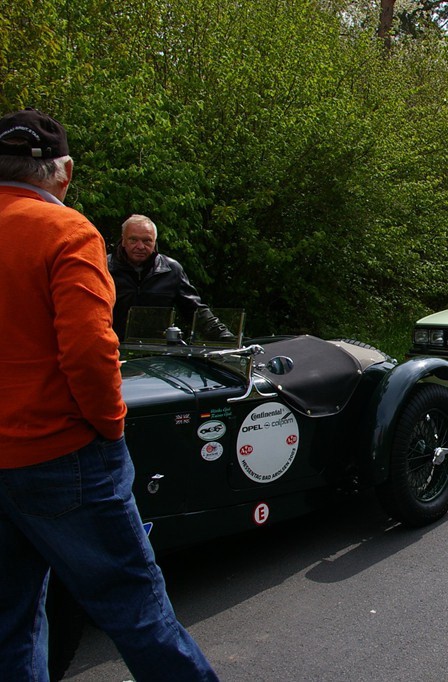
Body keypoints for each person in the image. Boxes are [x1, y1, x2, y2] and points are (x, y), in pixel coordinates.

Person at [0, 108, 218, 680]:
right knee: (136, 606)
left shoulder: (160, 266)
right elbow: (88, 352)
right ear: (64, 171)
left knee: (10, 621)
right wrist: (110, 425)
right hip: (60, 451)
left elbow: (192, 307)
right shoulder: (66, 231)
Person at [108, 213, 233, 342]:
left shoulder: (170, 270)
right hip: (111, 347)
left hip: (155, 349)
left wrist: (226, 337)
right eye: (133, 240)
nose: (140, 246)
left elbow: (195, 311)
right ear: (123, 241)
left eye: (147, 241)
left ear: (154, 242)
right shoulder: (104, 268)